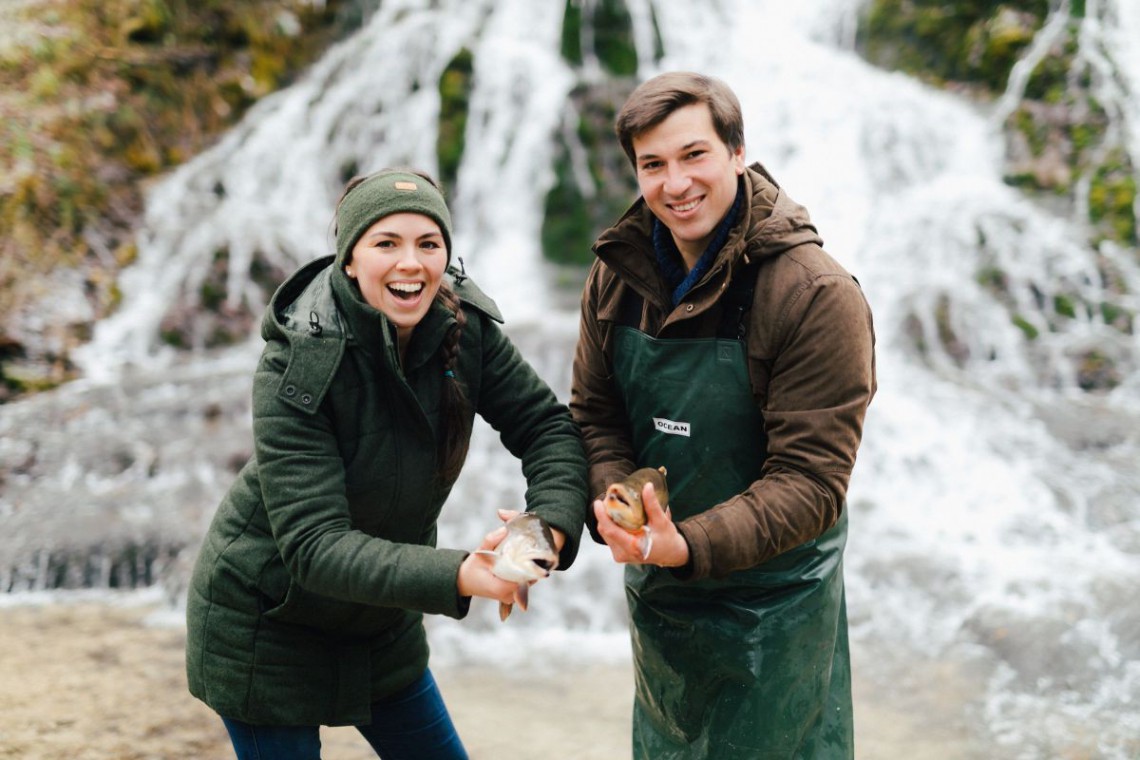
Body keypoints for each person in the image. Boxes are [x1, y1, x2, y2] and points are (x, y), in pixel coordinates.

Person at [185, 168, 588, 760]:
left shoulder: (464, 327)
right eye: (386, 243)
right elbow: (315, 546)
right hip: (266, 629)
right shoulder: (298, 362)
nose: (411, 263)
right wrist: (460, 573)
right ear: (349, 259)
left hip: (380, 622)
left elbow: (547, 427)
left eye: (429, 244)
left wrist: (543, 529)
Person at [570, 71, 876, 758]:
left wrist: (687, 544)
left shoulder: (816, 294)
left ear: (738, 153)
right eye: (653, 165)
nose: (675, 184)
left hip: (778, 609)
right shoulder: (615, 274)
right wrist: (618, 505)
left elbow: (811, 482)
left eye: (694, 155)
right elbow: (595, 417)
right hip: (663, 595)